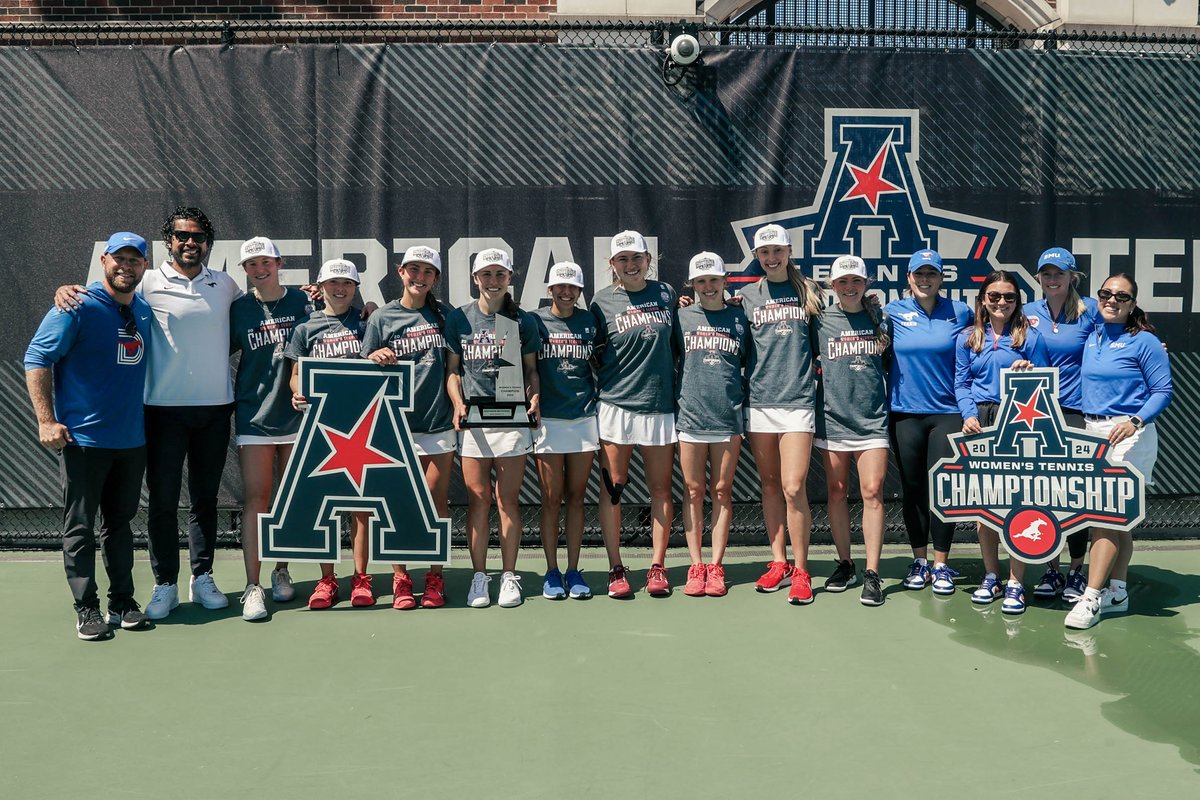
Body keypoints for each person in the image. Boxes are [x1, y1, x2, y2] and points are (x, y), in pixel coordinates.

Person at [55, 207, 243, 620]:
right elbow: (106, 294)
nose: (189, 242)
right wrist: (69, 290)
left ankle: (203, 575)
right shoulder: (146, 281)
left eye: (197, 236)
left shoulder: (226, 284)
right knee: (161, 502)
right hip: (161, 412)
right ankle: (165, 583)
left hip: (214, 411)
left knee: (205, 500)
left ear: (207, 243)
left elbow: (262, 313)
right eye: (181, 236)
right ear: (168, 243)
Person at [26, 232, 154, 640]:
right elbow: (37, 358)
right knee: (79, 527)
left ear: (144, 267)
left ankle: (123, 602)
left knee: (120, 525)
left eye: (135, 260)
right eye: (119, 259)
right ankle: (86, 608)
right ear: (104, 261)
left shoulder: (145, 311)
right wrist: (46, 421)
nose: (126, 266)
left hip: (131, 441)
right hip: (83, 442)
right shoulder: (75, 305)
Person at [1065, 274, 1173, 630]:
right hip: (1092, 431)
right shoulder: (1093, 331)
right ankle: (1118, 590)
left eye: (1121, 296)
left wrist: (1135, 420)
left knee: (1106, 518)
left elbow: (1162, 390)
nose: (1112, 300)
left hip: (1128, 434)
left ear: (1132, 303)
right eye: (1106, 294)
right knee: (1119, 522)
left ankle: (1091, 596)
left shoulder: (1145, 342)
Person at [445, 248, 541, 609]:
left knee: (507, 500)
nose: (493, 281)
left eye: (500, 274)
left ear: (510, 278)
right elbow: (453, 371)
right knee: (478, 501)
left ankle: (509, 576)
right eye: (486, 274)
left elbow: (531, 371)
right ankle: (479, 577)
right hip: (474, 424)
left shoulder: (523, 321)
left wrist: (534, 399)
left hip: (512, 421)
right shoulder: (459, 318)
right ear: (475, 279)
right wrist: (458, 403)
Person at [362, 245, 455, 610]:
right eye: (413, 269)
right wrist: (373, 356)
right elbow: (365, 368)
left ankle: (435, 577)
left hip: (437, 424)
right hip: (394, 427)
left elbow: (454, 368)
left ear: (435, 278)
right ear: (401, 272)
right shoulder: (381, 318)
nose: (420, 277)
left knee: (436, 504)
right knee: (396, 504)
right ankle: (401, 577)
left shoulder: (444, 316)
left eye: (427, 271)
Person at [737, 224, 824, 605]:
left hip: (798, 402)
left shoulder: (811, 292)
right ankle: (779, 562)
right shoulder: (745, 297)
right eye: (764, 253)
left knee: (793, 487)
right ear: (757, 256)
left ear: (789, 252)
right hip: (759, 403)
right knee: (770, 486)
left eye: (778, 251)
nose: (771, 258)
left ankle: (803, 570)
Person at [590, 231, 679, 598]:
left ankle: (657, 566)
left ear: (648, 260)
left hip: (658, 406)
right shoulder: (600, 302)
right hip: (615, 406)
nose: (630, 264)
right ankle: (616, 568)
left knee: (661, 489)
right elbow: (592, 352)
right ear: (612, 264)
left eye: (636, 258)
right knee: (614, 489)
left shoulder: (666, 294)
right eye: (622, 259)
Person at [955, 270, 1049, 614]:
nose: (1001, 303)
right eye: (994, 296)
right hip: (980, 423)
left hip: (1019, 422)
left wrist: (1030, 375)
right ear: (982, 299)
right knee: (985, 508)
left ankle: (1015, 582)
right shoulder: (968, 337)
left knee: (1018, 505)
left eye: (1009, 297)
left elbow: (1046, 383)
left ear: (1017, 301)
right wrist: (968, 414)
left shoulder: (1032, 337)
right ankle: (991, 575)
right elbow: (961, 383)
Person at [229, 236, 311, 621]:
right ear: (244, 270)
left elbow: (344, 323)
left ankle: (281, 570)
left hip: (297, 416)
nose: (259, 270)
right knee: (257, 500)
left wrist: (370, 310)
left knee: (289, 499)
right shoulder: (238, 310)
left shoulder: (304, 302)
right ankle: (253, 586)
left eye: (266, 262)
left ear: (279, 263)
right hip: (254, 416)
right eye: (251, 265)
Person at [885, 250, 973, 596]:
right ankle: (919, 561)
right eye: (918, 274)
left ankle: (941, 564)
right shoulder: (892, 312)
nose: (925, 280)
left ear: (941, 278)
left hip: (947, 413)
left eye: (931, 274)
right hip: (905, 413)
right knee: (914, 489)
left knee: (944, 488)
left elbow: (992, 339)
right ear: (908, 278)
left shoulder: (961, 312)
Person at [286, 259, 372, 609]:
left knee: (360, 507)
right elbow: (295, 374)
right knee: (327, 506)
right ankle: (326, 579)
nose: (340, 289)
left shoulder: (367, 323)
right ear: (320, 287)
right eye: (333, 283)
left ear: (355, 288)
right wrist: (296, 392)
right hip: (320, 427)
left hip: (362, 427)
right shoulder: (306, 327)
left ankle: (360, 578)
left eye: (347, 284)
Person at [813, 256, 892, 606]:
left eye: (856, 281)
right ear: (832, 286)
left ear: (867, 283)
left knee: (872, 491)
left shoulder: (882, 318)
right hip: (832, 420)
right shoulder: (817, 321)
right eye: (842, 281)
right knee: (837, 490)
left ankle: (872, 573)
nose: (849, 287)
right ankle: (846, 563)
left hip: (872, 419)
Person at [1024, 247, 1100, 603]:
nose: (1052, 279)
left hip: (1075, 412)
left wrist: (1151, 342)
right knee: (1043, 494)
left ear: (1073, 276)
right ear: (1039, 277)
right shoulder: (1027, 312)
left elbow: (1126, 334)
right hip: (1035, 413)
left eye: (1059, 273)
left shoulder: (1092, 311)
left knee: (1075, 494)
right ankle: (1051, 570)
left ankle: (1076, 571)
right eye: (1046, 273)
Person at [675, 253, 751, 598]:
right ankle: (696, 565)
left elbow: (750, 361)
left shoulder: (740, 318)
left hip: (726, 419)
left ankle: (717, 565)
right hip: (690, 416)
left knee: (721, 491)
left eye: (714, 280)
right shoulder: (680, 317)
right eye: (700, 281)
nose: (708, 286)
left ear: (725, 282)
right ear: (692, 285)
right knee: (692, 491)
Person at [532, 262, 599, 601]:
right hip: (548, 423)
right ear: (550, 290)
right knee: (550, 500)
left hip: (584, 419)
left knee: (575, 498)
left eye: (573, 287)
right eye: (560, 286)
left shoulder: (590, 320)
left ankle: (574, 570)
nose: (566, 292)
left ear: (580, 290)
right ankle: (551, 571)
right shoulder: (533, 320)